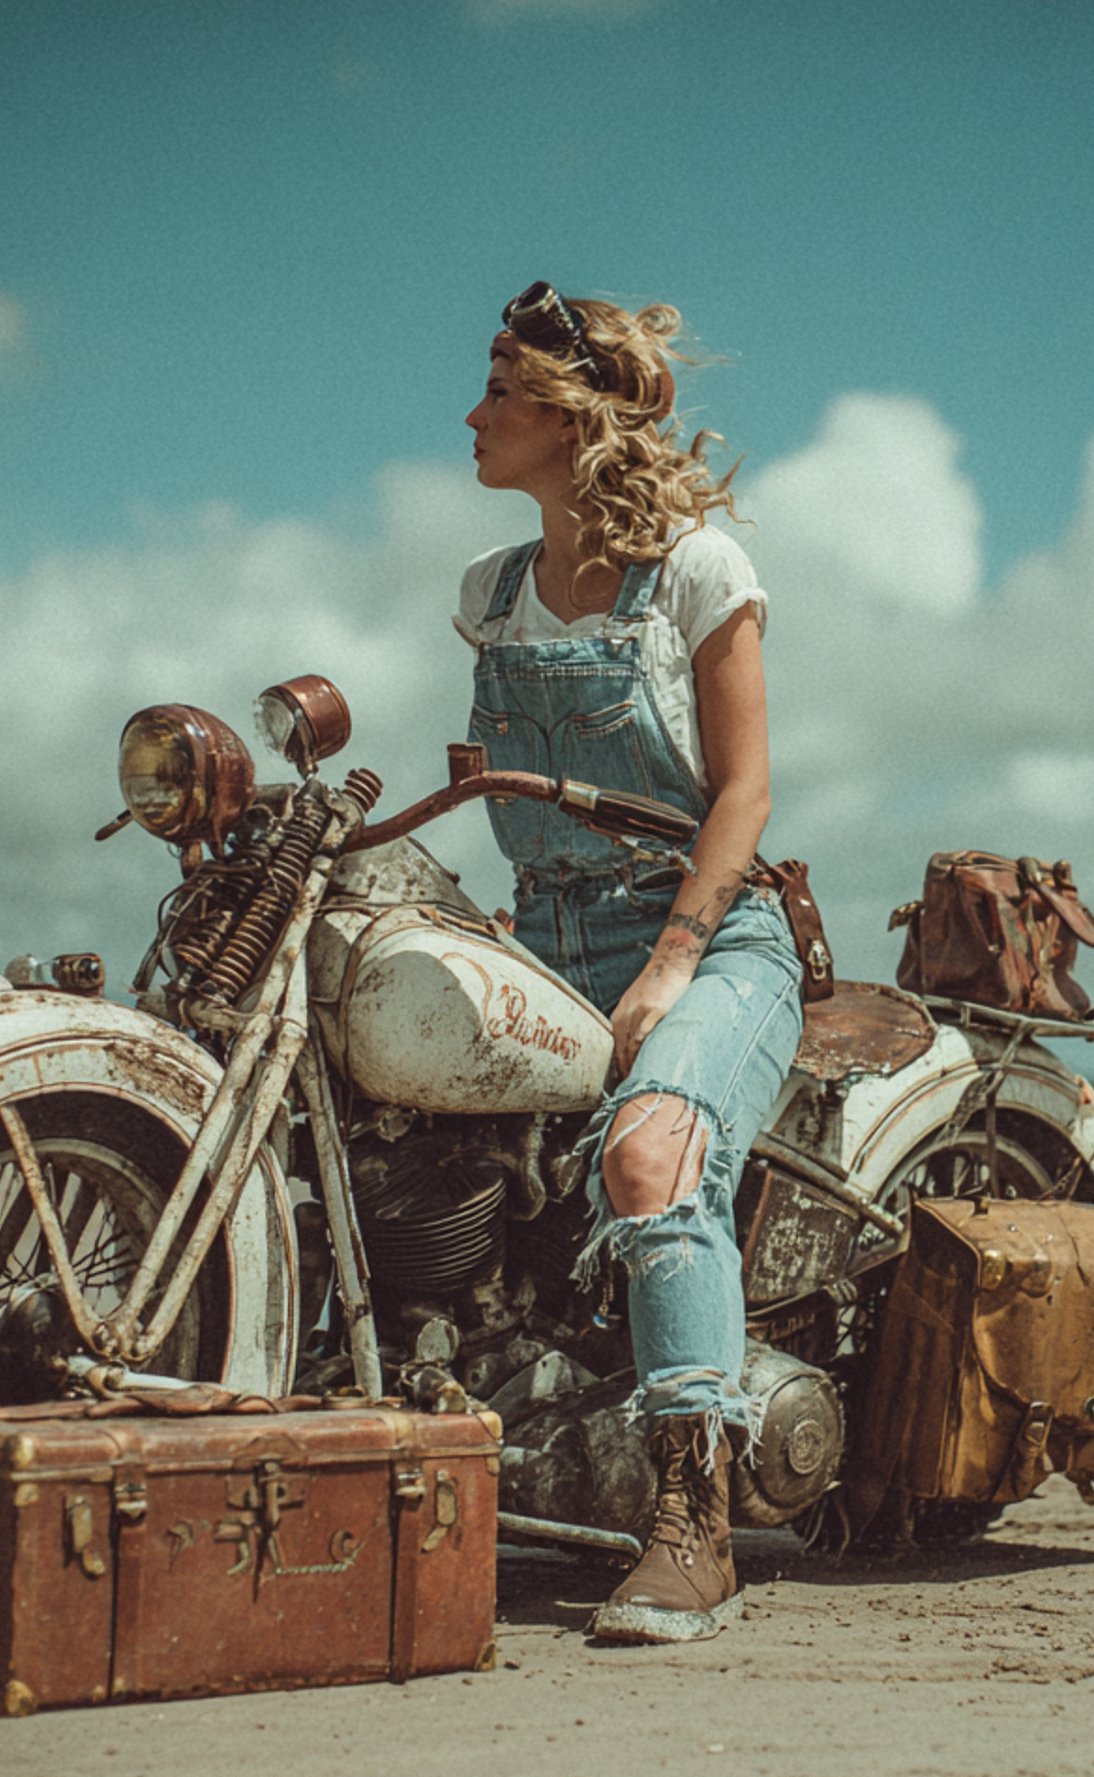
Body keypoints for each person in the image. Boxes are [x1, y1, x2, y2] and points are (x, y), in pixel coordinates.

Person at [456, 282, 805, 1643]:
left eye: (499, 386)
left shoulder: (699, 572)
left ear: (570, 413)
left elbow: (745, 794)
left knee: (649, 1158)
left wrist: (668, 962)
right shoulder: (488, 596)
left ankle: (693, 1526)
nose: (473, 413)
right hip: (543, 928)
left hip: (711, 930)